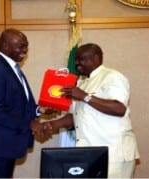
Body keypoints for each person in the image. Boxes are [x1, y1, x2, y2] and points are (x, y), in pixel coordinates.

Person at [44, 43, 140, 178]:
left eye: (81, 59)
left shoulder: (112, 77)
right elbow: (76, 115)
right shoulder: (82, 83)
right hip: (90, 153)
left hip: (114, 153)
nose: (77, 63)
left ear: (96, 58)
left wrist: (84, 96)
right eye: (76, 60)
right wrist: (52, 125)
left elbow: (119, 108)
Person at [0, 28, 54, 178]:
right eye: (20, 46)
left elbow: (17, 104)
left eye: (26, 46)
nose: (25, 50)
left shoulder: (11, 67)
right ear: (5, 46)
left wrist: (40, 110)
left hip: (6, 143)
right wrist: (29, 124)